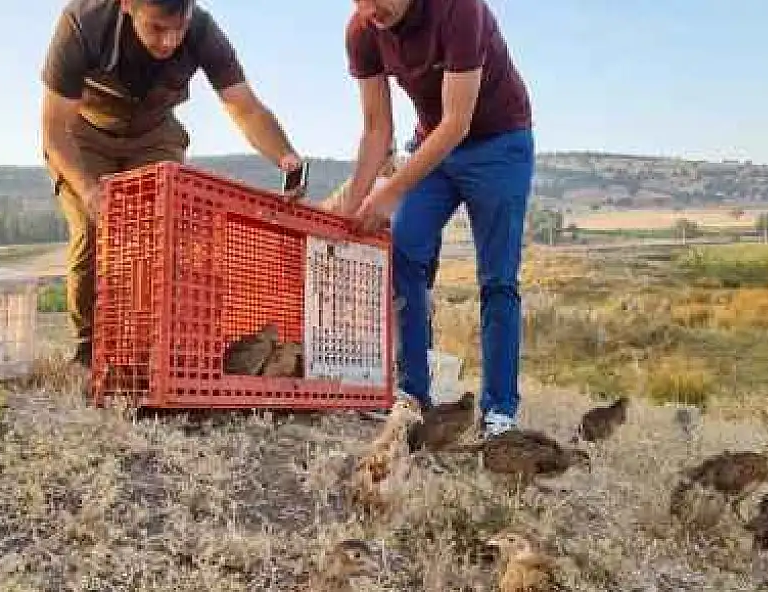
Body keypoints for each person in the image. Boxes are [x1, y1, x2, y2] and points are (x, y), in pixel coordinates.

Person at [40, 0, 306, 368]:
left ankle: (147, 353)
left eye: (177, 29)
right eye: (157, 28)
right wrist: (88, 189)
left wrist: (285, 156)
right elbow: (55, 131)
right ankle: (86, 352)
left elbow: (244, 106)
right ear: (128, 5)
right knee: (92, 231)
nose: (169, 42)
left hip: (153, 134)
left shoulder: (202, 30)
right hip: (84, 135)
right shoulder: (82, 24)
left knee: (162, 241)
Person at [340, 0, 535, 438]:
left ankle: (499, 412)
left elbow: (457, 123)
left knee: (498, 278)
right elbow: (376, 130)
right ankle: (413, 396)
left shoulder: (460, 9)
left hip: (498, 144)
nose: (370, 8)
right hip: (433, 148)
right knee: (404, 255)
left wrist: (390, 191)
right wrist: (353, 207)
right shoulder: (363, 31)